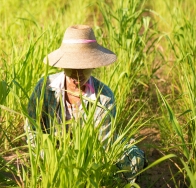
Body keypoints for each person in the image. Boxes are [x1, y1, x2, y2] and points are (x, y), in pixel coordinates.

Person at [26, 24, 145, 183]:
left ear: (93, 64)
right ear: (62, 65)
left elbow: (104, 144)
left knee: (133, 160)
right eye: (71, 67)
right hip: (53, 149)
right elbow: (31, 128)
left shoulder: (104, 97)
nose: (77, 74)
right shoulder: (45, 87)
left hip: (92, 152)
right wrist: (47, 158)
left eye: (84, 67)